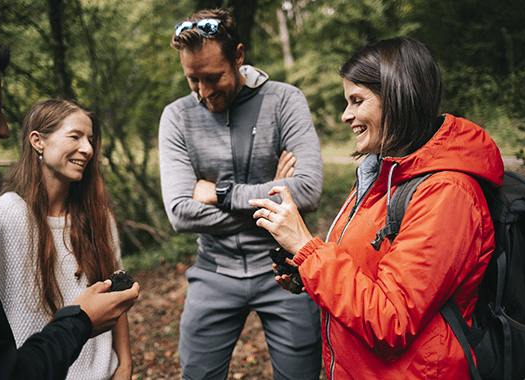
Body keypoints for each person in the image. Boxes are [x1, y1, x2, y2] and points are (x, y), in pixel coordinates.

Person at [249, 36, 504, 379]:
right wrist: (306, 273)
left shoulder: (447, 192)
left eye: (357, 101)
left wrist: (306, 249)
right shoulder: (385, 173)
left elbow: (392, 318)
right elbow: (366, 273)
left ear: (398, 97)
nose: (345, 115)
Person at [159, 8, 324, 380]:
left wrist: (217, 193)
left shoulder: (285, 101)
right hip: (213, 272)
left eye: (213, 77)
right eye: (192, 80)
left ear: (238, 56)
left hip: (286, 270)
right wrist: (275, 197)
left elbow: (309, 190)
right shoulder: (176, 117)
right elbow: (180, 213)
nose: (203, 92)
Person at [0, 29, 139, 380]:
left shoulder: (98, 216)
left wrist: (125, 363)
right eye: (75, 137)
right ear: (38, 142)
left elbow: (114, 290)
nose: (88, 149)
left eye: (91, 140)